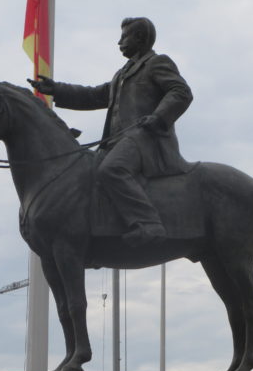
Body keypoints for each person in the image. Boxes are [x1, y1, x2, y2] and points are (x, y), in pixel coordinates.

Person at [28, 17, 193, 247]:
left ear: (140, 38)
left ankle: (148, 224)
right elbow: (94, 95)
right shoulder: (122, 74)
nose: (119, 42)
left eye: (124, 36)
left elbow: (181, 92)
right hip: (118, 142)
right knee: (85, 173)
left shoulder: (157, 63)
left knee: (112, 169)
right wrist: (56, 89)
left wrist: (158, 118)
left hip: (147, 139)